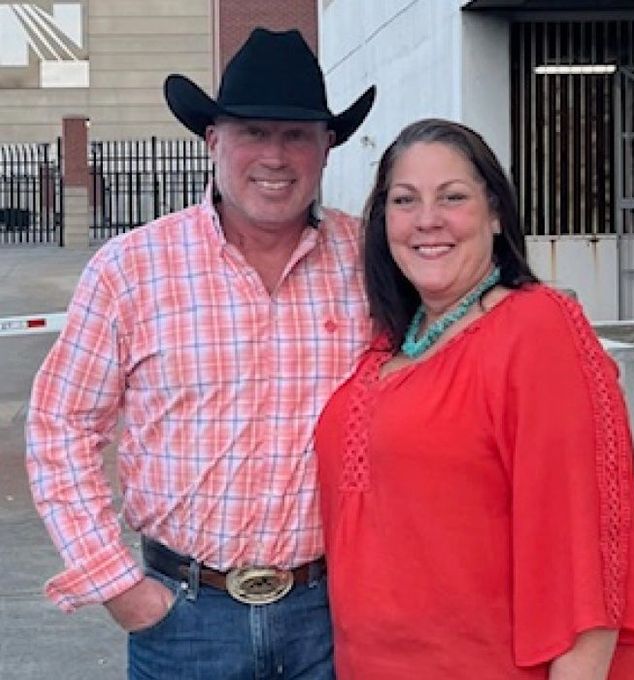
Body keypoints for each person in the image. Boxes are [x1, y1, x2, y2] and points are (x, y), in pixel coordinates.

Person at [26, 28, 375, 680]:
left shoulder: (369, 265)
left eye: (296, 134)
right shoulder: (131, 269)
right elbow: (59, 429)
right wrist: (117, 585)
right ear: (213, 139)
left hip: (334, 613)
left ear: (327, 147)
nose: (274, 155)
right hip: (186, 619)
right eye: (252, 132)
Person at [315, 118, 634, 679]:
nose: (427, 220)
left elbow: (584, 546)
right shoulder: (386, 345)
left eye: (453, 197)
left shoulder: (536, 328)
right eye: (404, 200)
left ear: (494, 214)